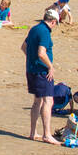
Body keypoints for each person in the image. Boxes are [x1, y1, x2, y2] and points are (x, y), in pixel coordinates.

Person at [22, 9, 62, 144]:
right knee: (48, 101)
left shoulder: (34, 29)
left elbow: (24, 47)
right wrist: (50, 66)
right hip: (42, 72)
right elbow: (41, 52)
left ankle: (33, 133)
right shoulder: (45, 32)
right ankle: (47, 134)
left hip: (31, 69)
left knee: (37, 101)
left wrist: (31, 60)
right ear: (53, 21)